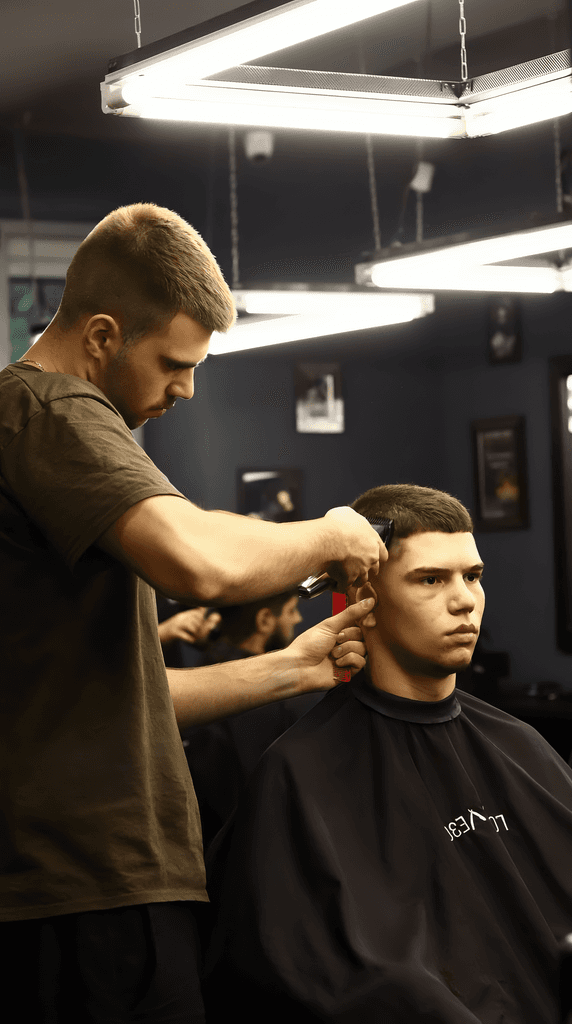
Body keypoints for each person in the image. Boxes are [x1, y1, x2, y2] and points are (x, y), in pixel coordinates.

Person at [0, 202, 386, 1023]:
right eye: (175, 361)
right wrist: (330, 532)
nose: (187, 386)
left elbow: (125, 701)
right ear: (103, 337)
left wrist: (295, 665)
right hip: (85, 893)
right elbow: (201, 562)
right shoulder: (50, 411)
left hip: (89, 888)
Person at [205, 483, 572, 1024]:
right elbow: (325, 976)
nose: (465, 599)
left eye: (472, 576)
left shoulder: (523, 746)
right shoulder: (301, 772)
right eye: (431, 579)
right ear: (362, 602)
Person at [182, 591, 327, 848]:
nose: (298, 618)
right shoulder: (280, 705)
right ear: (264, 620)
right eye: (292, 610)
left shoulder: (188, 675)